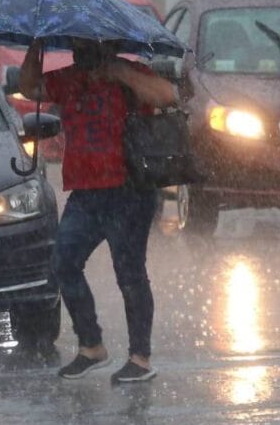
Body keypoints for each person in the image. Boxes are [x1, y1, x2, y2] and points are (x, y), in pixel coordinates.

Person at [18, 38, 177, 383]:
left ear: (105, 43)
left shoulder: (129, 72)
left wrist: (119, 72)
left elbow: (167, 95)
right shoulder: (71, 78)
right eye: (73, 42)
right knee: (63, 262)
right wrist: (37, 46)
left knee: (129, 272)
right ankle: (91, 346)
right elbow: (29, 88)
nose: (78, 48)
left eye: (85, 41)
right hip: (86, 193)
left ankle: (140, 358)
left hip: (129, 189)